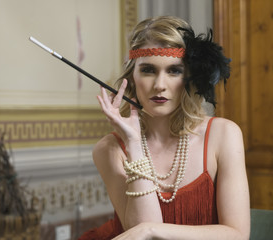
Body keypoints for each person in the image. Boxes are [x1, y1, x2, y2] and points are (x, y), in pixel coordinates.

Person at [78, 16, 250, 240]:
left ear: (189, 77)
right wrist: (133, 143)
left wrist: (151, 229)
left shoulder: (223, 135)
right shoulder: (109, 149)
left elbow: (237, 234)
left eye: (174, 71)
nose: (159, 85)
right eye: (148, 70)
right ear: (131, 77)